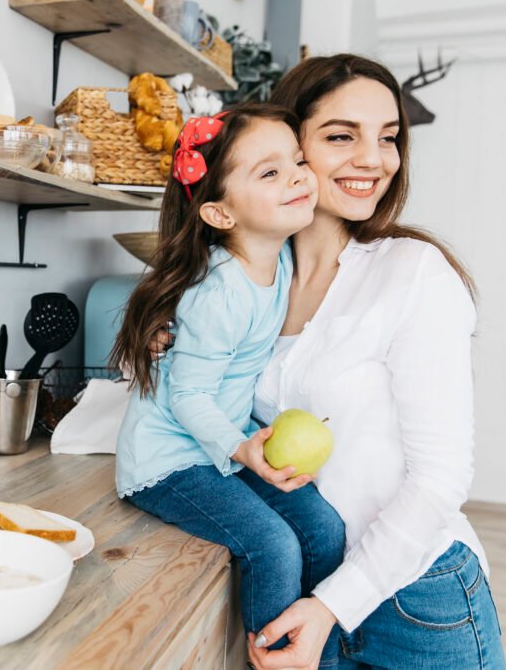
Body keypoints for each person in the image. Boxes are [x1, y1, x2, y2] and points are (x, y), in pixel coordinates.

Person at [154, 55, 505, 669]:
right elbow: (203, 398)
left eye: (389, 137)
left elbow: (441, 479)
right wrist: (169, 342)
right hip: (308, 588)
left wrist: (333, 605)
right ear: (291, 145)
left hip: (417, 602)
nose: (374, 158)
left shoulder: (411, 274)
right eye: (342, 136)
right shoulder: (247, 287)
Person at [111, 103, 347, 665]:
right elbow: (186, 395)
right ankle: (270, 660)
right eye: (269, 173)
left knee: (324, 526)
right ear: (219, 214)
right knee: (273, 544)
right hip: (167, 461)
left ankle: (320, 657)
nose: (296, 177)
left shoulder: (283, 257)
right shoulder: (220, 292)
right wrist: (243, 446)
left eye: (295, 161)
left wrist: (242, 442)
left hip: (223, 442)